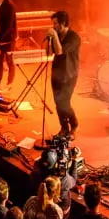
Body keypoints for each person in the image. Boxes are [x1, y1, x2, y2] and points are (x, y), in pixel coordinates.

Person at [46, 11, 80, 139]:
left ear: (63, 23)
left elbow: (60, 51)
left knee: (64, 102)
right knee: (57, 102)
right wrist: (50, 39)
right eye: (53, 23)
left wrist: (54, 35)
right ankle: (64, 128)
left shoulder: (74, 37)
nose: (53, 26)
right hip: (56, 74)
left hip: (69, 75)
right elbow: (49, 53)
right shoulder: (57, 36)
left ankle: (75, 124)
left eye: (55, 23)